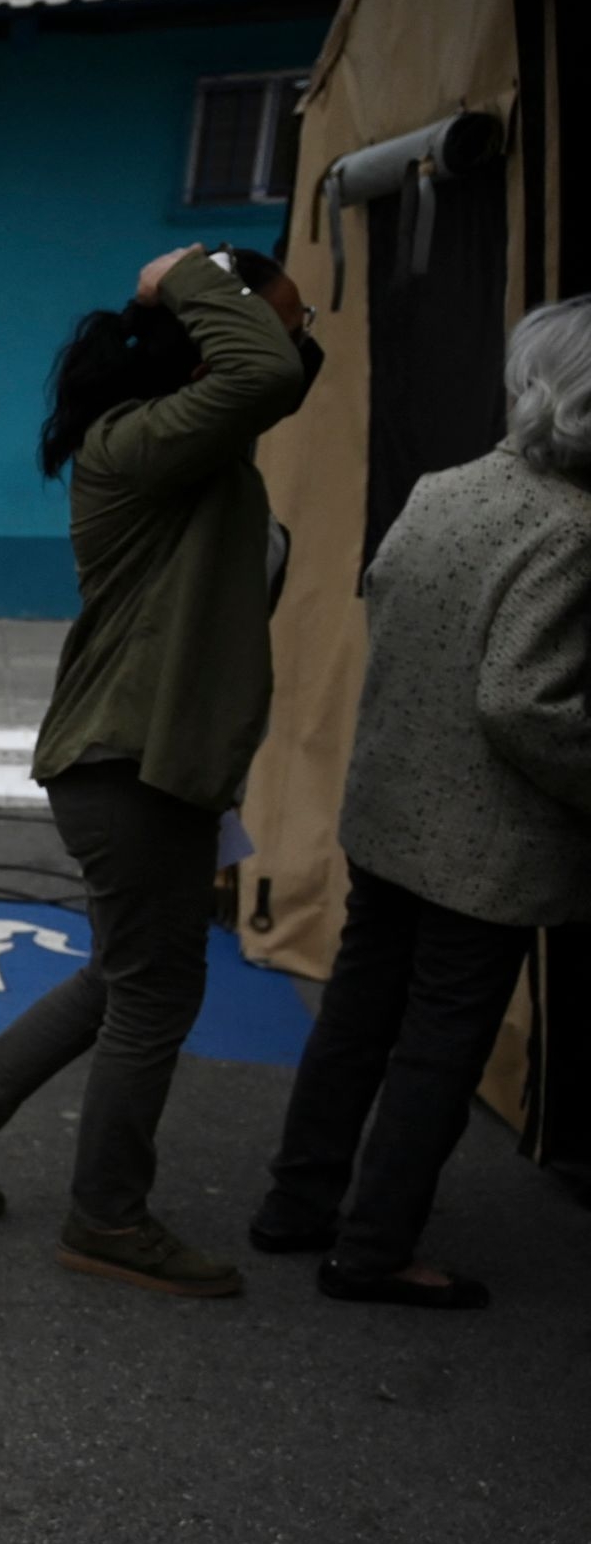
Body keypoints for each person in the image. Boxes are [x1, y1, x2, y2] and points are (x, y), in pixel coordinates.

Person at [0, 243, 316, 1298]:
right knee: (156, 990)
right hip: (129, 763)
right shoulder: (137, 443)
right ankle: (108, 1218)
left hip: (144, 762)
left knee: (125, 972)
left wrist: (220, 303)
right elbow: (264, 371)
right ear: (210, 335)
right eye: (287, 321)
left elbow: (275, 374)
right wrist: (187, 277)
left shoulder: (194, 450)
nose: (303, 346)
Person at [247, 297, 591, 1310]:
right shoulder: (574, 529)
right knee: (441, 1042)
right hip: (484, 845)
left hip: (390, 809)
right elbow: (524, 701)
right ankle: (374, 1249)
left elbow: (393, 609)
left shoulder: (446, 488)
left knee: (357, 1015)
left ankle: (295, 1204)